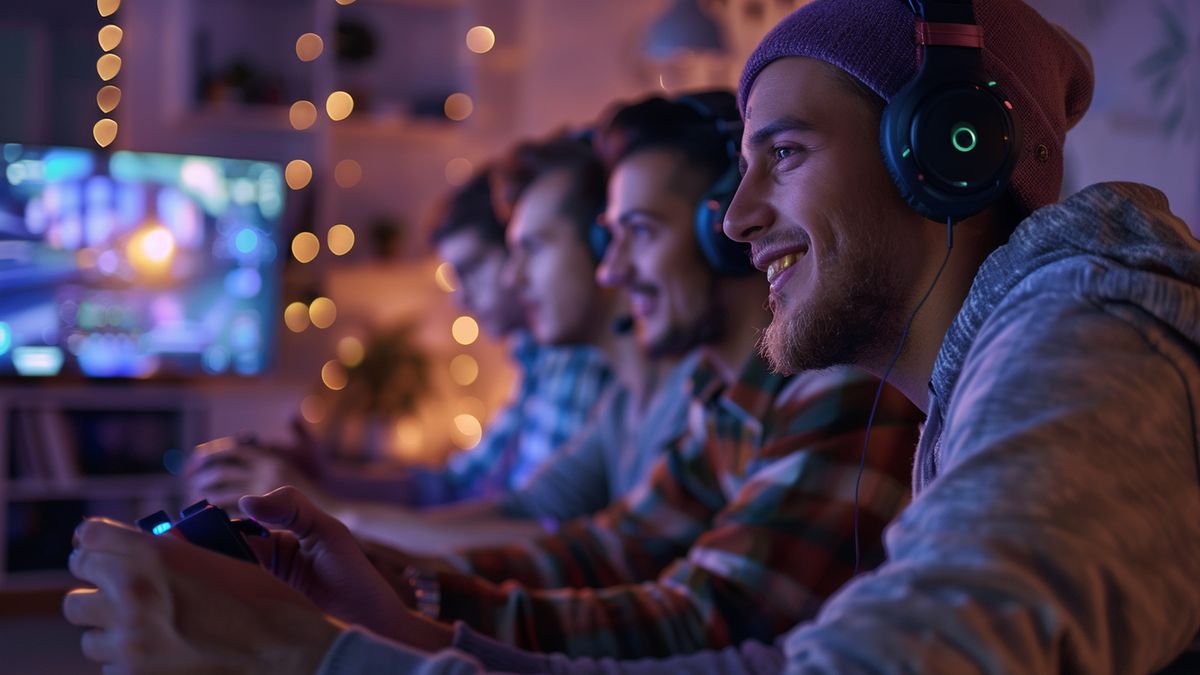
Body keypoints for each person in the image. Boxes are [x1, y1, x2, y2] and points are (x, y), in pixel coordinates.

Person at [252, 0, 1200, 671]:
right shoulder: (987, 370)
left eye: (783, 153)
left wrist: (320, 656)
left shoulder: (1086, 324)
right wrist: (395, 620)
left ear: (946, 154)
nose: (738, 221)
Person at [62, 90, 924, 671]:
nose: (613, 268)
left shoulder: (837, 387)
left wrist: (367, 626)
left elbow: (697, 618)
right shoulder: (725, 397)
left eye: (628, 233)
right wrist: (386, 584)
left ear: (715, 237)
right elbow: (594, 551)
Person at [186, 164, 615, 523]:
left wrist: (328, 506)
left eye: (473, 268)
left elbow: (531, 526)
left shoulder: (579, 359)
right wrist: (325, 479)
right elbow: (453, 487)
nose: (462, 297)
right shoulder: (539, 357)